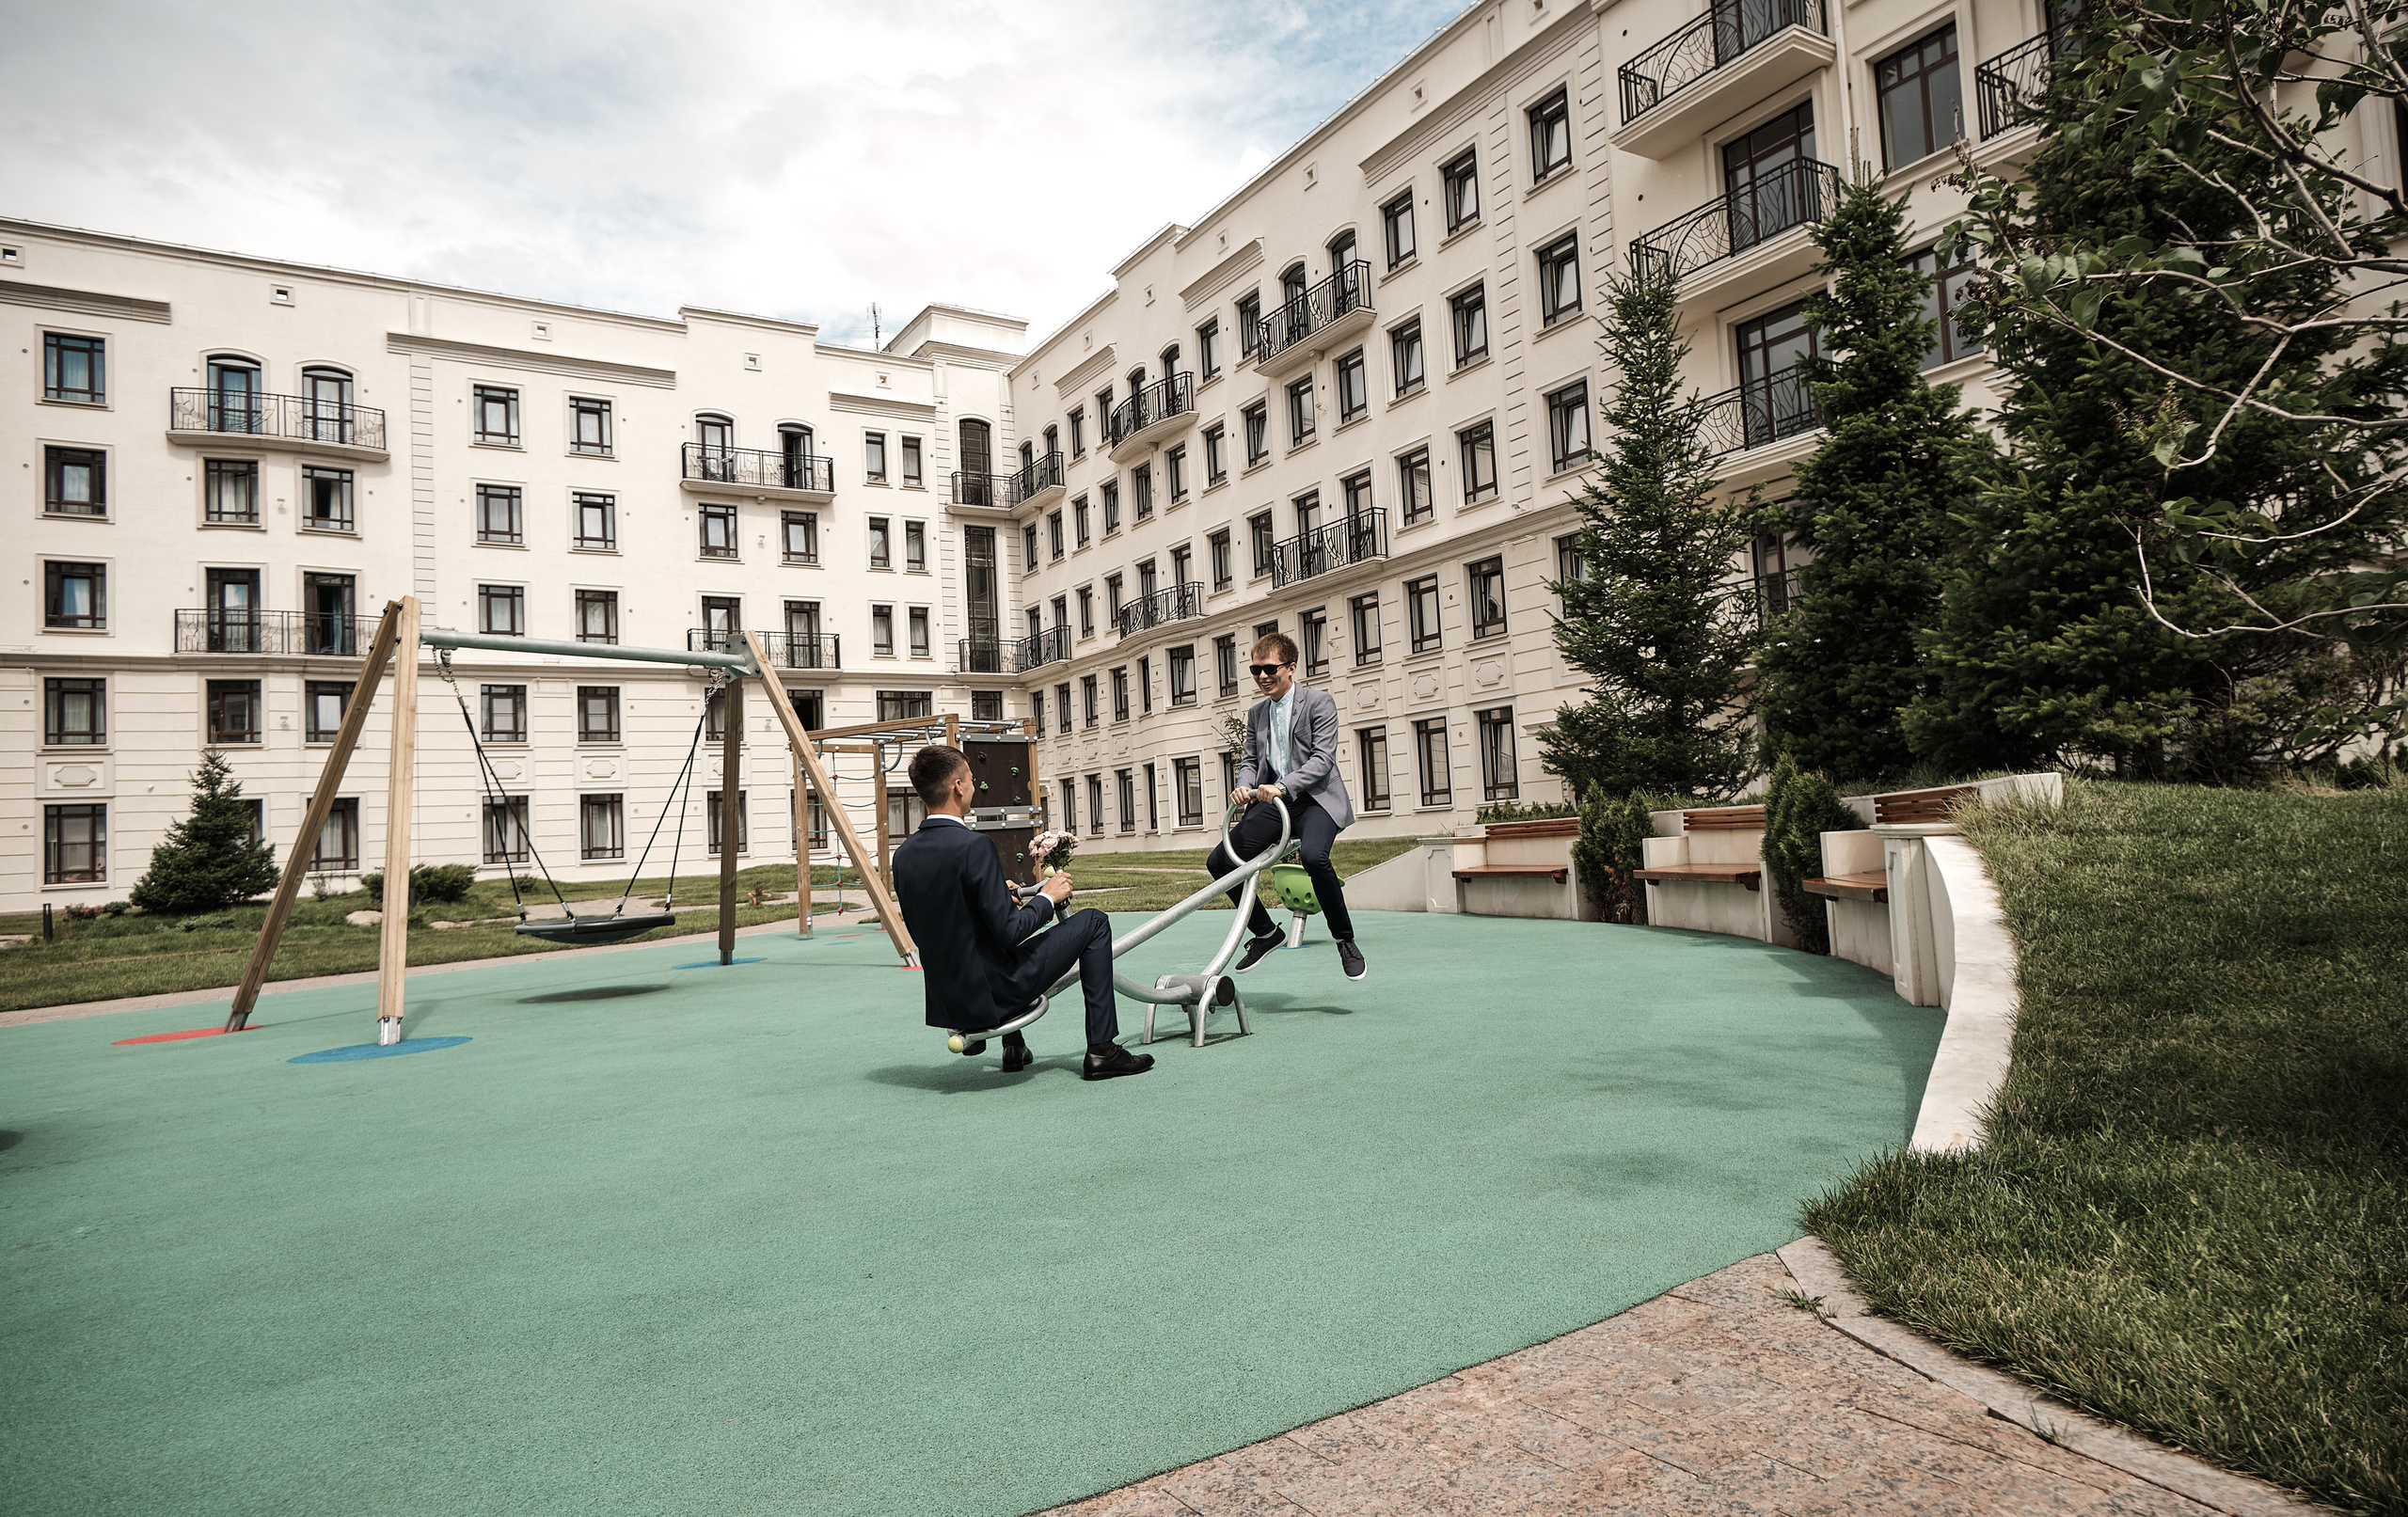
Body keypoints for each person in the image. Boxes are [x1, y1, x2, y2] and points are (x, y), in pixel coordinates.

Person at [891, 744, 1154, 1082]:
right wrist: (1046, 897)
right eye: (971, 779)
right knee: (1094, 922)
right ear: (958, 786)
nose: (972, 786)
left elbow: (940, 920)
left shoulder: (905, 855)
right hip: (999, 992)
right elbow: (1011, 932)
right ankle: (1103, 1051)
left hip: (951, 1002)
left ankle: (1013, 1047)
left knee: (991, 943)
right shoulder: (974, 845)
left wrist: (998, 894)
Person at [1207, 632, 1368, 981]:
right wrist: (1243, 786)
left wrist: (1281, 786)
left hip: (1315, 800)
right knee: (1220, 861)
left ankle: (1344, 939)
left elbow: (1322, 760)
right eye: (1255, 670)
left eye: (1270, 669)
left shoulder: (1319, 703)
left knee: (1313, 857)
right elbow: (1250, 759)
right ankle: (1266, 933)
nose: (1262, 677)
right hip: (1274, 803)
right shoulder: (1257, 713)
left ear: (1291, 668)